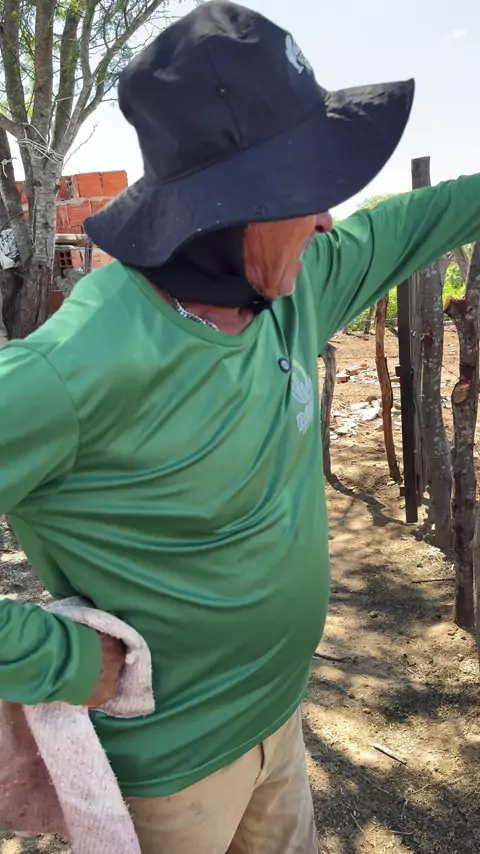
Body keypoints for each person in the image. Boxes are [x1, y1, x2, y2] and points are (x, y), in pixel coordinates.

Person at [1, 2, 480, 852]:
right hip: (171, 777)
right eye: (304, 190)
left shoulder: (295, 291)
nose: (328, 219)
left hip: (280, 724)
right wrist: (56, 660)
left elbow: (427, 219)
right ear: (224, 211)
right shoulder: (75, 367)